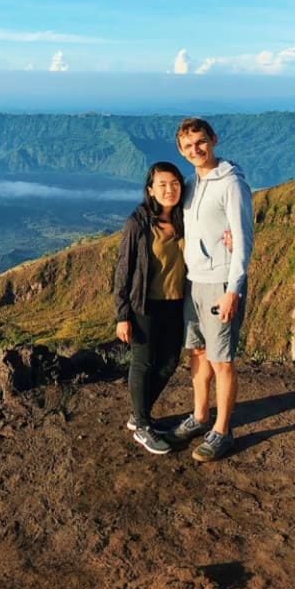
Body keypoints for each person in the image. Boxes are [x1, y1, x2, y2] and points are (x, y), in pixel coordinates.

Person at [169, 117, 253, 462]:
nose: (196, 150)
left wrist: (233, 289)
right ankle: (200, 415)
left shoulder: (231, 184)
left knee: (222, 360)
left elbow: (243, 238)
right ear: (180, 150)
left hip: (220, 284)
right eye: (188, 146)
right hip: (194, 282)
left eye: (200, 142)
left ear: (214, 139)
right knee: (198, 353)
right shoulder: (190, 184)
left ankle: (222, 431)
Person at [113, 161, 187, 455]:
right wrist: (122, 315)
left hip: (177, 303)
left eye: (175, 183)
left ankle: (139, 414)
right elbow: (123, 268)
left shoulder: (185, 218)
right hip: (145, 304)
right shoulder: (139, 223)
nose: (169, 190)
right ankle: (142, 424)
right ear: (150, 190)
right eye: (162, 185)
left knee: (169, 363)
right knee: (143, 363)